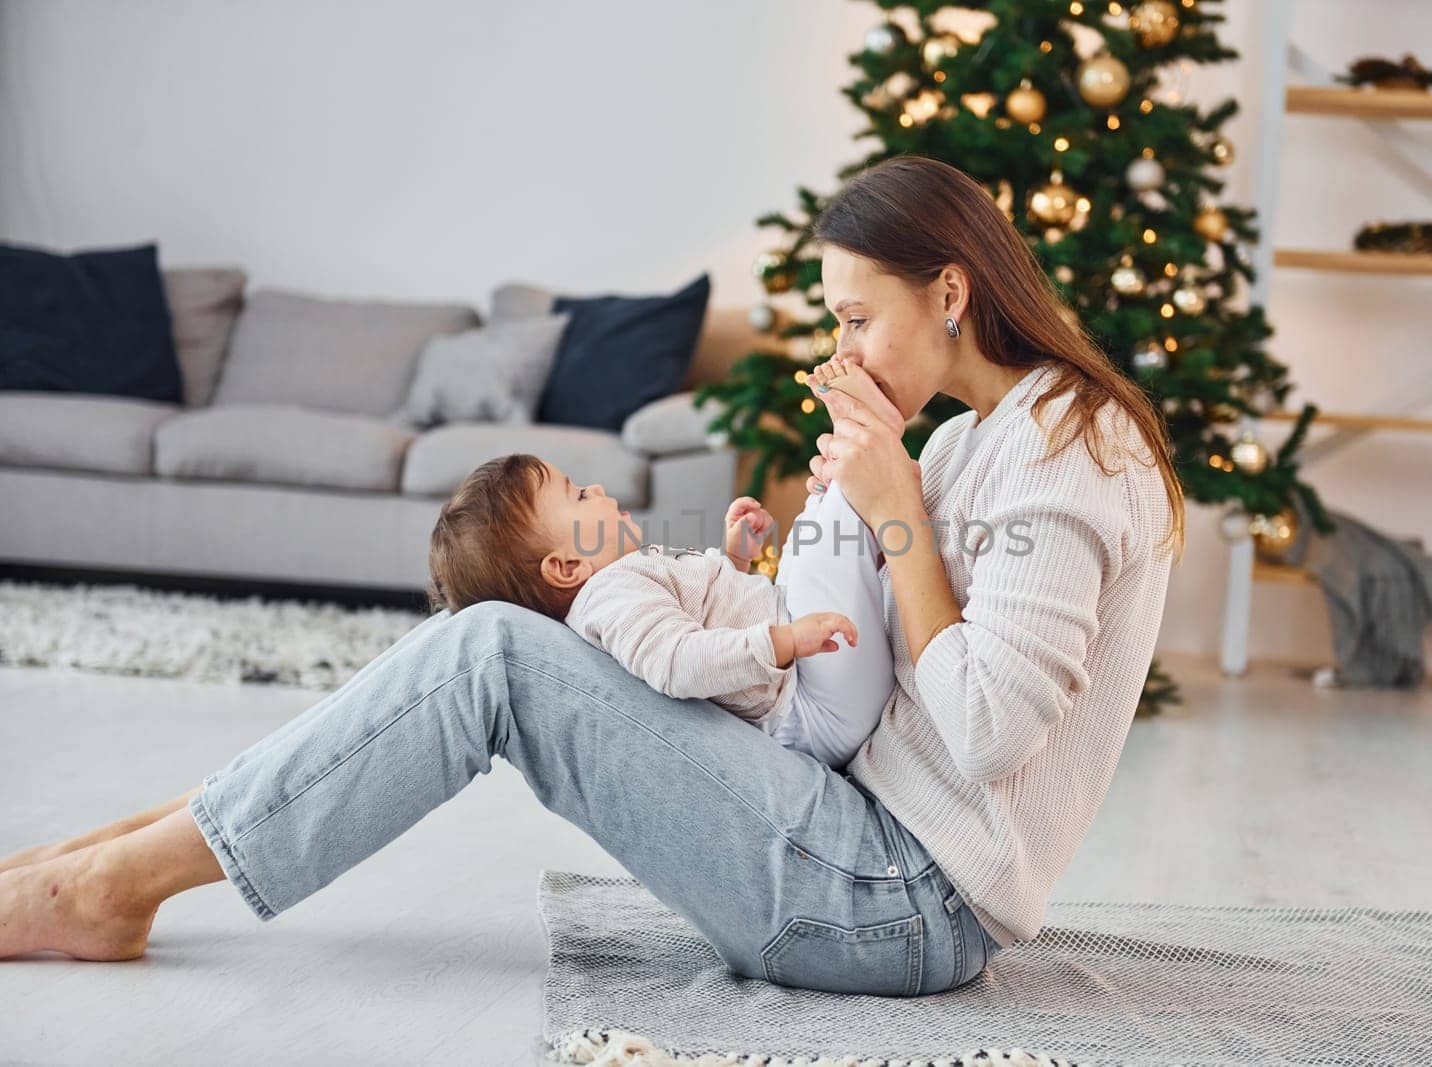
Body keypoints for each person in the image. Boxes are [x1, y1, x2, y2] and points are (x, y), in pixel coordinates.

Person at [0, 155, 1184, 1000]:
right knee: (531, 639)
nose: (842, 353)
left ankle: (113, 884)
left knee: (495, 650)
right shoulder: (979, 434)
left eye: (855, 317)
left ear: (950, 291)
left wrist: (895, 516)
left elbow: (982, 732)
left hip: (896, 899)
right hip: (851, 830)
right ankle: (126, 852)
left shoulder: (1071, 447)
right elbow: (862, 644)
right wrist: (837, 530)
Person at [424, 451, 897, 770]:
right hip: (809, 708)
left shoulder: (617, 584)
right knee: (829, 525)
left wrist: (735, 558)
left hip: (806, 681)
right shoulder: (610, 600)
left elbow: (706, 613)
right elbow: (680, 663)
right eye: (579, 496)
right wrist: (785, 641)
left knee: (815, 527)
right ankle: (876, 473)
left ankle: (864, 503)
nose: (597, 489)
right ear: (567, 566)